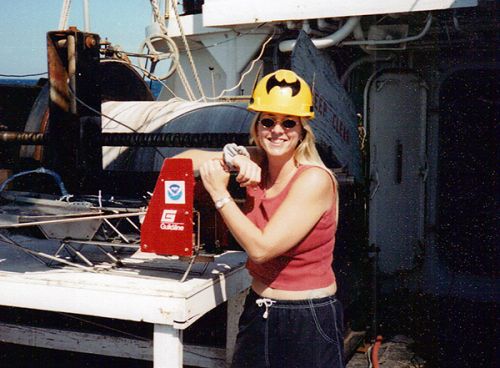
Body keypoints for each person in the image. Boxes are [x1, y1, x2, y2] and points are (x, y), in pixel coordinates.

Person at [178, 69, 344, 368]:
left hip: (305, 317)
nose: (277, 130)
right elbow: (179, 162)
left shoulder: (314, 180)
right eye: (268, 121)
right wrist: (233, 158)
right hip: (259, 309)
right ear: (257, 127)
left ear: (303, 130)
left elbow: (262, 249)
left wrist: (220, 194)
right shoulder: (258, 162)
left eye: (288, 122)